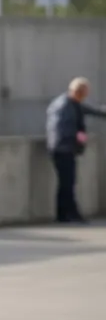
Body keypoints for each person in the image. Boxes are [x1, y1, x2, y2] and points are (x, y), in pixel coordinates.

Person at [45, 77, 106, 224]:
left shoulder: (71, 103)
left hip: (61, 147)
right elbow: (63, 129)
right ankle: (71, 214)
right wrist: (79, 139)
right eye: (84, 94)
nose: (85, 97)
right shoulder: (65, 106)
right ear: (78, 92)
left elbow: (90, 111)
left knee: (65, 182)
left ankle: (63, 215)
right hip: (63, 148)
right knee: (68, 182)